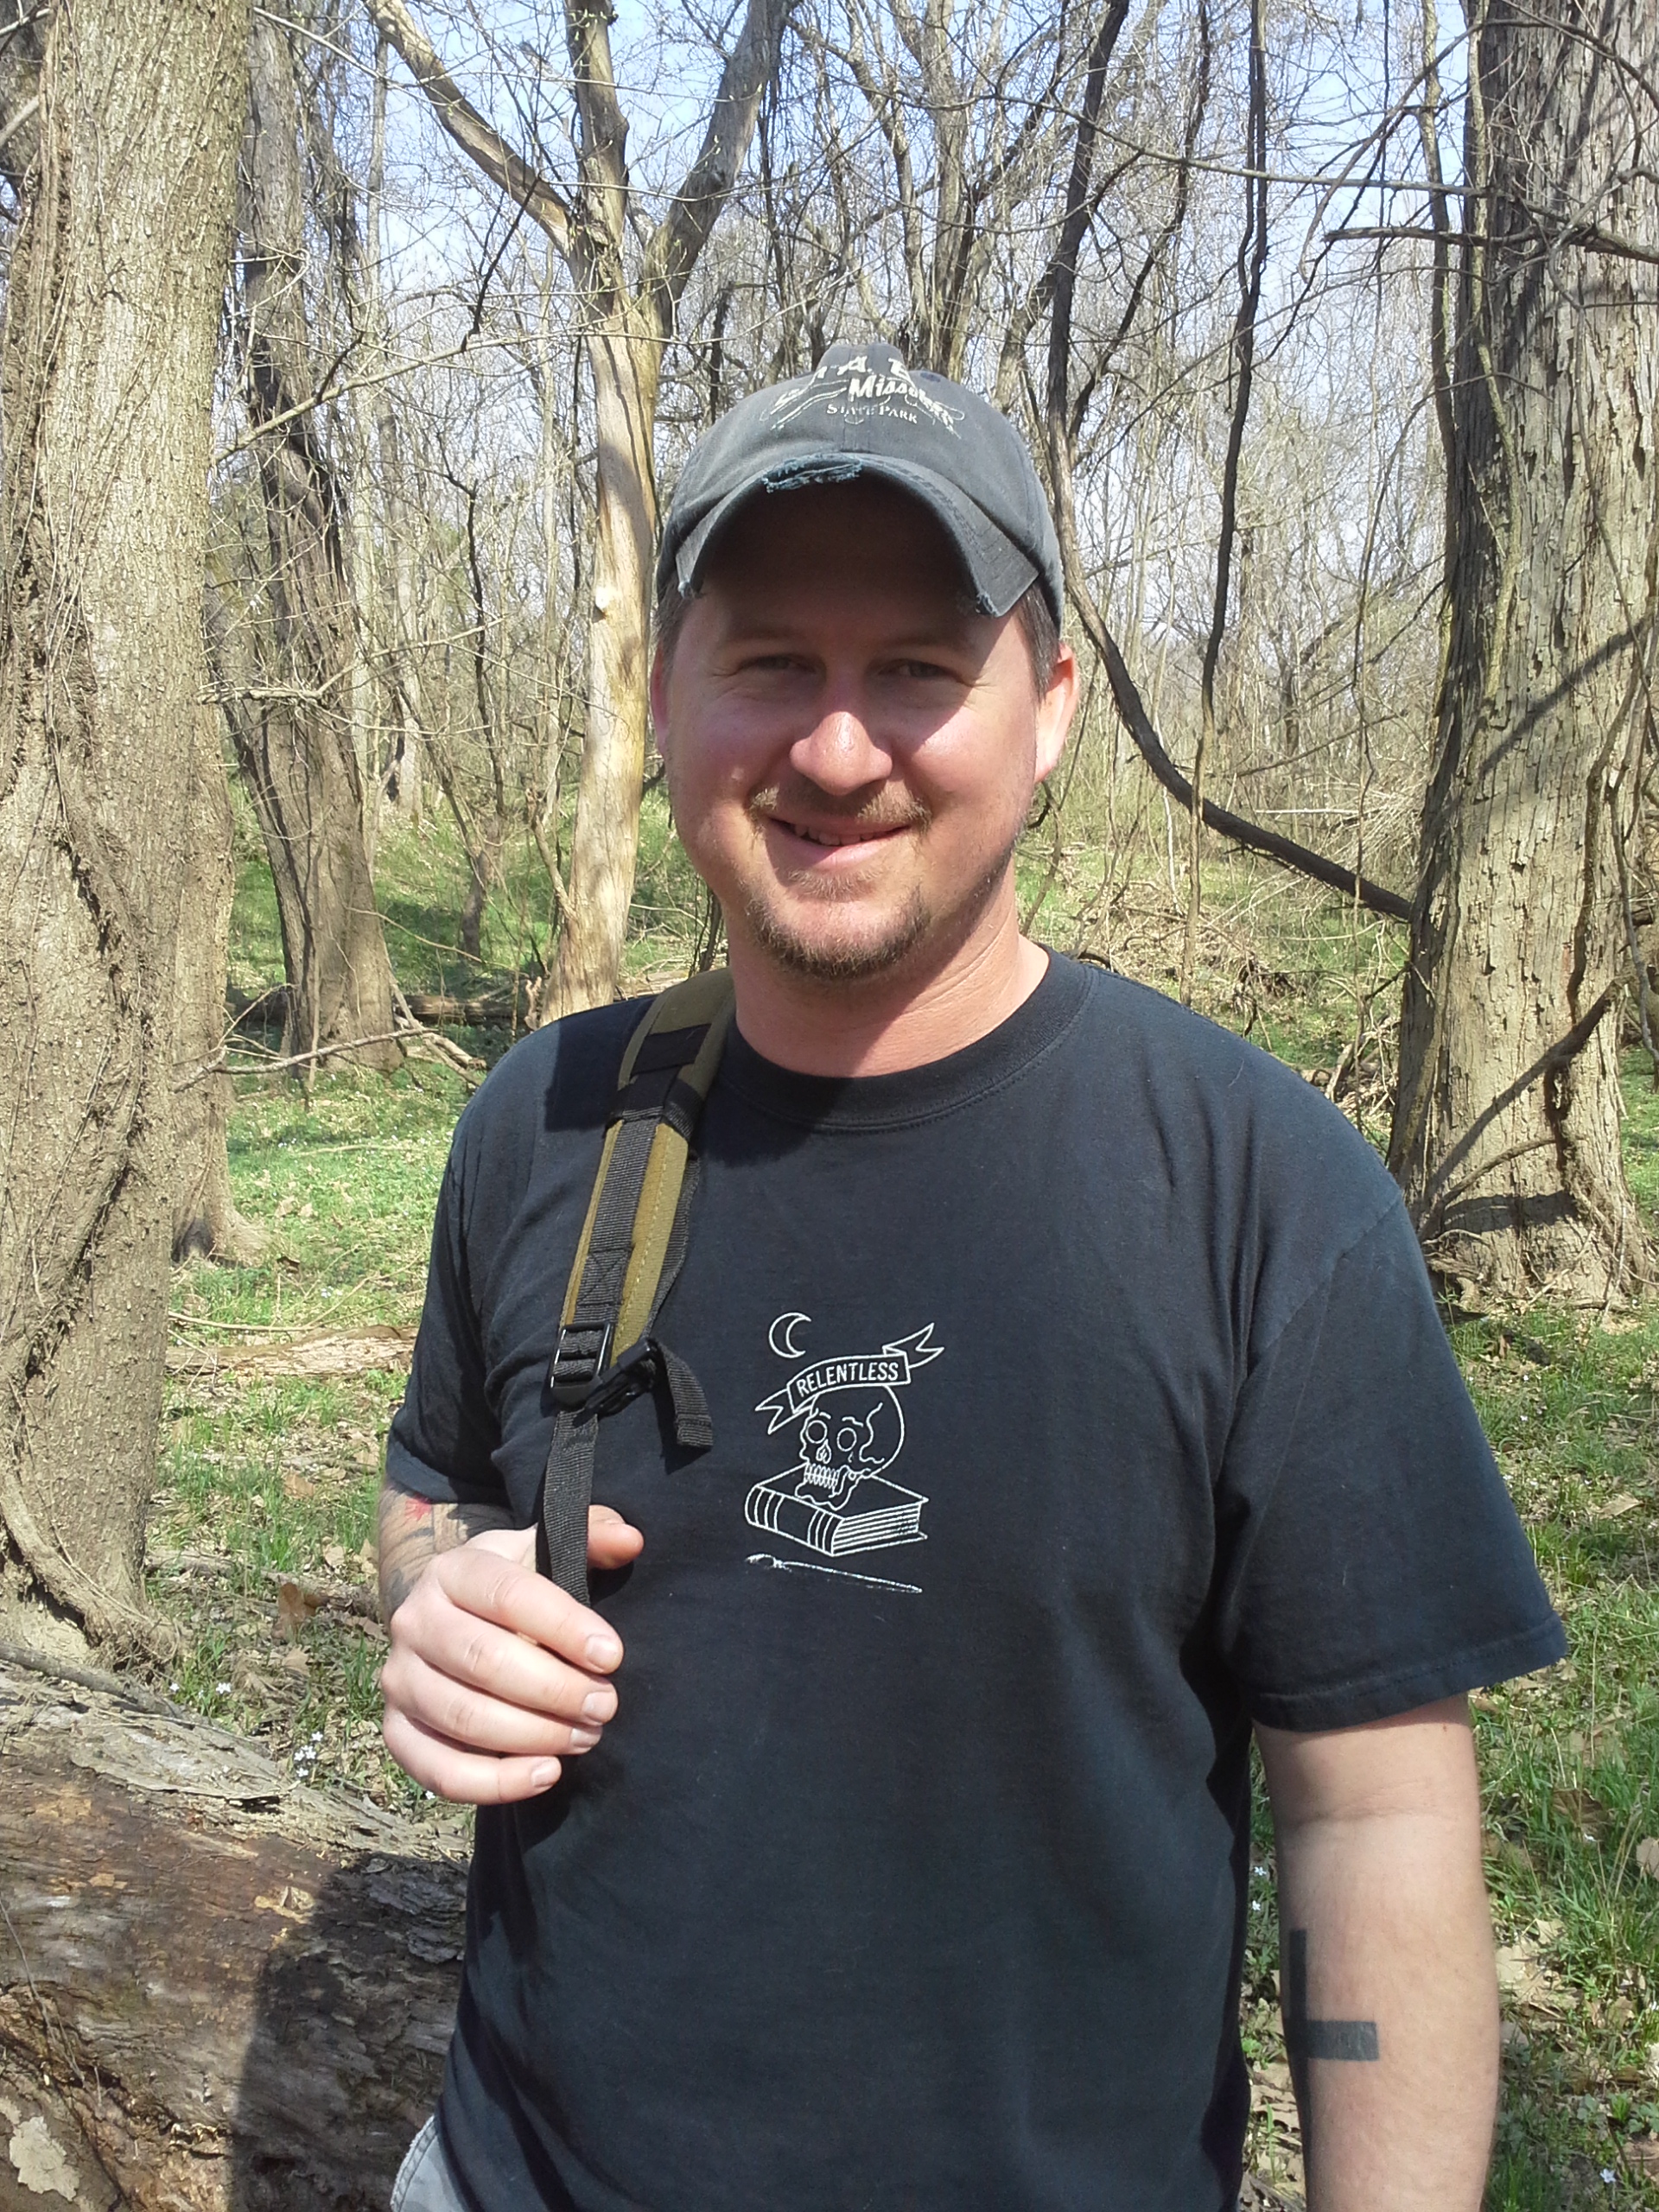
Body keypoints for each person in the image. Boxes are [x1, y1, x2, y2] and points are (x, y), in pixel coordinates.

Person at [377, 340, 1565, 2212]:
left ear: (1052, 705)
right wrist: (432, 1596)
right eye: (773, 662)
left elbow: (1381, 1821)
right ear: (666, 693)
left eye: (919, 671)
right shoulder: (547, 1119)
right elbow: (430, 1485)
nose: (838, 749)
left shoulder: (1261, 1190)